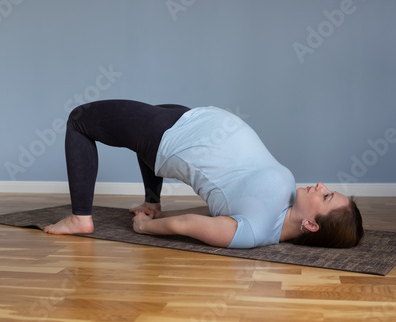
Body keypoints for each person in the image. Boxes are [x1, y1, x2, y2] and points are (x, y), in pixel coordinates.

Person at [43, 100, 364, 248]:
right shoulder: (280, 212)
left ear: (311, 224)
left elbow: (193, 225)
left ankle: (80, 218)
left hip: (172, 138)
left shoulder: (254, 231)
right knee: (160, 107)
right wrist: (155, 214)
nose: (321, 186)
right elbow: (215, 212)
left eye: (326, 195)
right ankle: (152, 201)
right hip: (187, 123)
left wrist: (146, 229)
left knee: (80, 119)